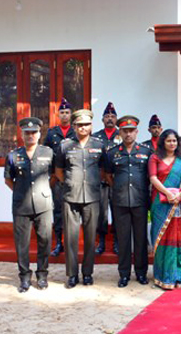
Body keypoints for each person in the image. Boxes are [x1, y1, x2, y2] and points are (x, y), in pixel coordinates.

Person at [54, 109, 105, 288]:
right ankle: (72, 274)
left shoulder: (100, 145)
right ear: (74, 126)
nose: (83, 128)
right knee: (70, 237)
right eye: (80, 125)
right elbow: (58, 170)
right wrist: (69, 183)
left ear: (91, 126)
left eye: (87, 124)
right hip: (70, 196)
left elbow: (104, 170)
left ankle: (88, 273)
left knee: (91, 237)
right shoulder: (65, 145)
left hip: (91, 196)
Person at [4, 117, 54, 292]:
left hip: (43, 204)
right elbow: (8, 179)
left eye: (34, 132)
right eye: (27, 133)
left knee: (44, 241)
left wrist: (44, 191)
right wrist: (21, 193)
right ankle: (24, 277)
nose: (31, 135)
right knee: (22, 244)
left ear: (40, 134)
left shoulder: (48, 153)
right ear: (22, 134)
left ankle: (42, 276)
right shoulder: (13, 155)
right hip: (21, 206)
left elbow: (55, 175)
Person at [105, 115, 153, 287]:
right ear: (120, 132)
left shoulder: (147, 152)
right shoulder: (112, 153)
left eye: (131, 131)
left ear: (137, 132)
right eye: (125, 131)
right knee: (123, 239)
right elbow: (108, 176)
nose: (128, 134)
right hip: (120, 201)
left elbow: (151, 176)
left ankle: (141, 273)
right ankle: (124, 274)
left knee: (140, 239)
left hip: (140, 200)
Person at [148, 129, 181, 290]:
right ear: (163, 142)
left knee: (176, 236)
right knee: (160, 235)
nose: (172, 144)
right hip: (160, 202)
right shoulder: (155, 158)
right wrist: (167, 193)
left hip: (177, 203)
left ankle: (178, 274)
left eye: (174, 141)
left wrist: (180, 194)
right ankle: (163, 275)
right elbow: (153, 178)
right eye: (169, 141)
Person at [42, 98, 76, 257]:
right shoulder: (51, 133)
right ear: (58, 114)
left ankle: (71, 243)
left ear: (71, 114)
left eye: (67, 112)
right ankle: (58, 243)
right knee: (57, 211)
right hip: (56, 178)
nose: (64, 115)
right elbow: (45, 155)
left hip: (73, 177)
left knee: (73, 211)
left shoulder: (76, 132)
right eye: (61, 112)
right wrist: (51, 175)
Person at [93, 102, 121, 255]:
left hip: (117, 181)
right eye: (107, 116)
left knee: (117, 211)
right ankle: (102, 241)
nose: (110, 119)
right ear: (102, 119)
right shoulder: (96, 137)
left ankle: (117, 241)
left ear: (116, 119)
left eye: (112, 116)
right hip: (101, 181)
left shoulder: (122, 136)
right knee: (101, 213)